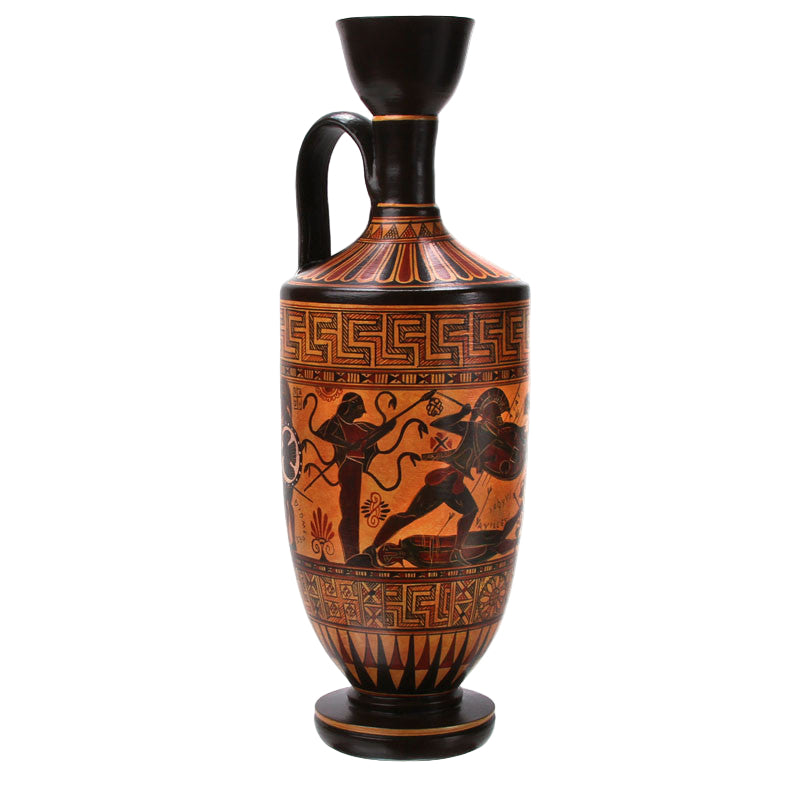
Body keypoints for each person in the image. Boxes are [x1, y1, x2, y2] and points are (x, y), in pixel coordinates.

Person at [366, 388, 516, 562]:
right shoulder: (472, 428)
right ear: (486, 414)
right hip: (447, 481)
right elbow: (439, 423)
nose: (498, 418)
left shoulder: (492, 435)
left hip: (454, 482)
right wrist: (461, 414)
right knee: (410, 516)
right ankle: (373, 547)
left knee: (468, 511)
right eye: (495, 414)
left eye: (498, 414)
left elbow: (479, 456)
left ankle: (457, 552)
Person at [314, 393, 395, 561]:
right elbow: (325, 434)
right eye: (358, 410)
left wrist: (389, 427)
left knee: (354, 512)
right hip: (348, 468)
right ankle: (350, 555)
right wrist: (347, 444)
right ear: (348, 409)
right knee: (349, 512)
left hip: (357, 469)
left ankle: (354, 554)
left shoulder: (361, 428)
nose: (361, 414)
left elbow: (374, 437)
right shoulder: (336, 424)